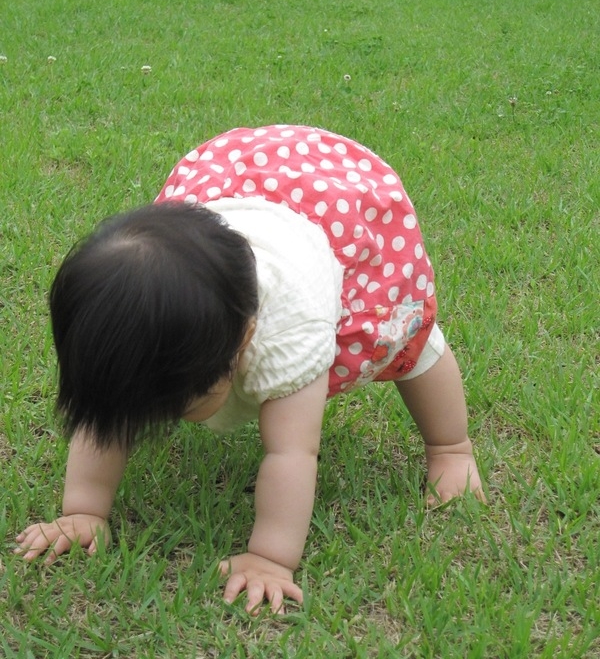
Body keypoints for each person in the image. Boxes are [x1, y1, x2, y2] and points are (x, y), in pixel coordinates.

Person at [15, 124, 485, 614]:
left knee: (408, 344)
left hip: (342, 226)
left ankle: (452, 448)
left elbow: (292, 453)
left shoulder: (290, 330)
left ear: (243, 340)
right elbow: (103, 421)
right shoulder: (147, 306)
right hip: (233, 195)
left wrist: (269, 558)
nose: (160, 420)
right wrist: (84, 511)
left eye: (183, 406)